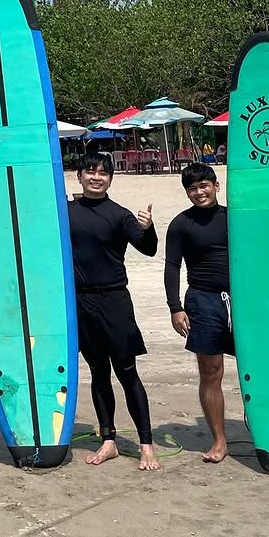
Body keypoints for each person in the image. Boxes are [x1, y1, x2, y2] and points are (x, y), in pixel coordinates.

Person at [165, 162, 269, 464]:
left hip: (247, 300)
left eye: (203, 185)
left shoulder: (237, 218)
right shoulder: (181, 224)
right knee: (211, 371)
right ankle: (220, 440)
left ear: (216, 186)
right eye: (192, 188)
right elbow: (172, 266)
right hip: (203, 301)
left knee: (265, 366)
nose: (198, 192)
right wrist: (175, 307)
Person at [68, 151, 160, 471]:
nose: (96, 177)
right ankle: (109, 440)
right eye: (90, 171)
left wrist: (148, 229)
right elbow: (24, 223)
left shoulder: (120, 215)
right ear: (78, 175)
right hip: (81, 302)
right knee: (98, 372)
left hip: (114, 301)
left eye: (102, 173)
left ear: (110, 178)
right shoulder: (64, 211)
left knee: (126, 371)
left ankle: (146, 444)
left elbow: (147, 249)